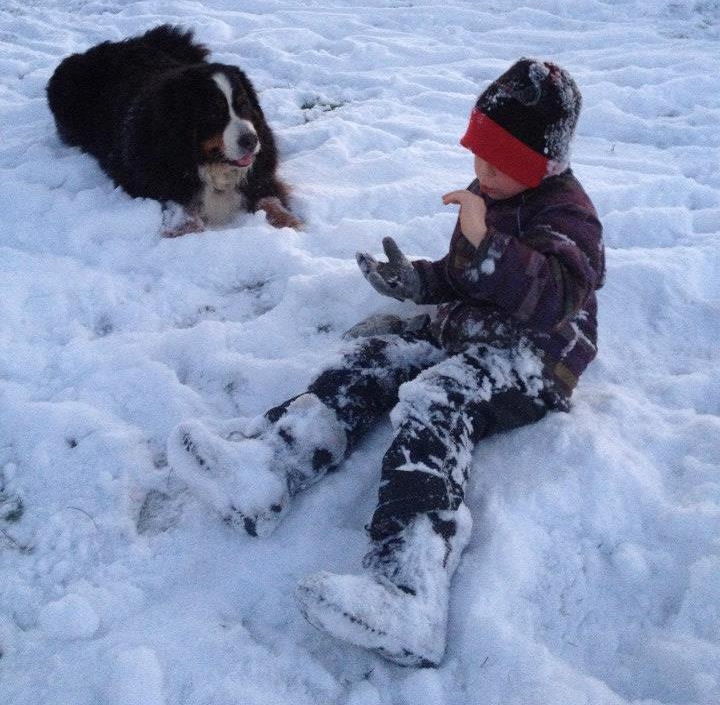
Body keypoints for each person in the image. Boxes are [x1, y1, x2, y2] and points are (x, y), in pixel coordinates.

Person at [167, 58, 605, 668]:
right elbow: (463, 275)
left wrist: (489, 245)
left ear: (543, 165)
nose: (482, 172)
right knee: (381, 353)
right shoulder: (492, 194)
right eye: (477, 155)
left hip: (536, 360)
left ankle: (409, 593)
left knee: (436, 399)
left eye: (499, 163)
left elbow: (556, 298)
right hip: (474, 330)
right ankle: (270, 467)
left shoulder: (568, 216)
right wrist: (417, 282)